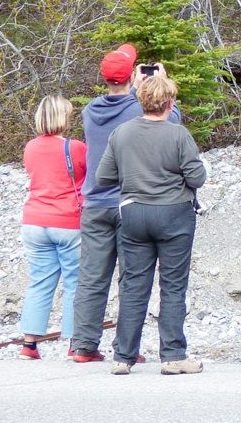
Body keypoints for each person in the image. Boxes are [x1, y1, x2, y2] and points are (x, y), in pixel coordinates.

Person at [70, 44, 180, 363]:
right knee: (132, 278)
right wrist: (159, 83)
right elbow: (171, 120)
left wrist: (134, 88)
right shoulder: (137, 109)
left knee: (92, 276)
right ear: (132, 74)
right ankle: (125, 347)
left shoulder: (90, 111)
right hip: (129, 203)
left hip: (94, 204)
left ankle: (83, 344)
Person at [96, 75, 206, 375]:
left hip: (134, 214)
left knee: (133, 285)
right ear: (170, 103)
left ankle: (123, 356)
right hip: (174, 214)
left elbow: (103, 177)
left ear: (140, 101)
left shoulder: (121, 133)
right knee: (173, 285)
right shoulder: (178, 134)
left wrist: (132, 174)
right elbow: (196, 177)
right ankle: (172, 355)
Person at [17, 95, 87, 360]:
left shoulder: (30, 147)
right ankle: (74, 343)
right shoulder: (75, 147)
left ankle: (29, 344)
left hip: (34, 221)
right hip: (67, 221)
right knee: (74, 281)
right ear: (63, 117)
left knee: (40, 280)